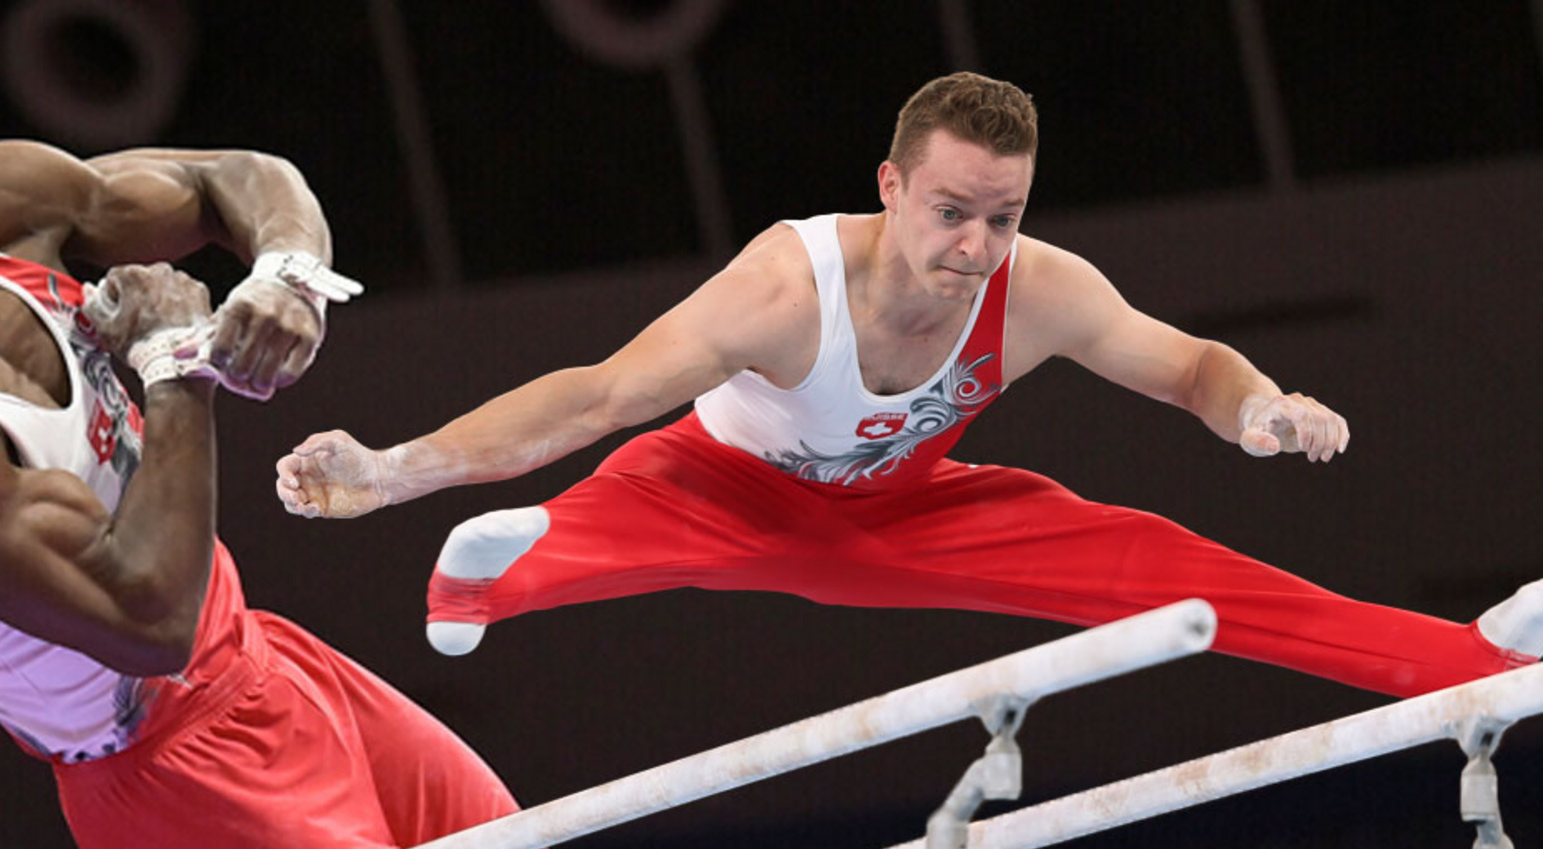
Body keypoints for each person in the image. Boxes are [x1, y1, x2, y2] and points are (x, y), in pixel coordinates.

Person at [276, 72, 1543, 700]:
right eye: (949, 212)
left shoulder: (1036, 285)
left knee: (1161, 567)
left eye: (1002, 218)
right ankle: (480, 572)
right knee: (583, 512)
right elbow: (598, 393)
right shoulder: (785, 286)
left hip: (905, 506)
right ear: (887, 186)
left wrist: (1257, 405)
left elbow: (1190, 365)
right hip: (722, 488)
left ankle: (1460, 662)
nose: (974, 250)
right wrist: (397, 467)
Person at [0, 140, 591, 849]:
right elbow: (148, 623)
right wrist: (173, 365)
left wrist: (287, 278)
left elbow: (230, 177)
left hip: (276, 667)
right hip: (176, 788)